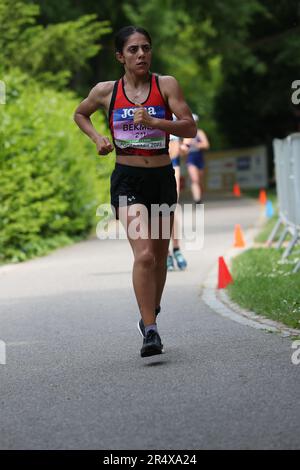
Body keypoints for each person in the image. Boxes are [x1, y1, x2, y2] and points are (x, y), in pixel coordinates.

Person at [74, 26, 196, 358]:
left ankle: (150, 312)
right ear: (120, 57)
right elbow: (80, 114)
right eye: (133, 50)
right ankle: (151, 332)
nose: (141, 54)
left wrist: (159, 124)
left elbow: (190, 126)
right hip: (127, 178)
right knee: (143, 254)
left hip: (160, 178)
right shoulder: (105, 91)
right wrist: (99, 138)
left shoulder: (166, 85)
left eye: (146, 48)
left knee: (158, 258)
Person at [167, 121, 188, 271]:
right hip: (148, 166)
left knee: (171, 208)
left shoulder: (172, 106)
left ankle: (176, 248)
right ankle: (165, 254)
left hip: (172, 164)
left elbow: (189, 126)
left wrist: (185, 144)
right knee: (153, 211)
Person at [181, 114, 210, 204]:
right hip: (190, 158)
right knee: (194, 179)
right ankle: (197, 200)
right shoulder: (185, 134)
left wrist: (196, 145)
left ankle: (199, 196)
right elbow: (183, 150)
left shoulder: (200, 133)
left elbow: (206, 145)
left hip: (199, 157)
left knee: (200, 181)